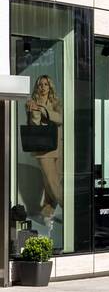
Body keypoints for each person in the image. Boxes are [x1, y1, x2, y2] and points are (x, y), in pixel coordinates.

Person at [24, 76, 63, 224]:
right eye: (40, 84)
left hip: (58, 147)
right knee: (53, 183)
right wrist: (34, 111)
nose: (43, 87)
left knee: (49, 184)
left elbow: (61, 119)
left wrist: (46, 111)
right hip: (42, 148)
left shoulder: (56, 102)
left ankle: (47, 213)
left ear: (50, 87)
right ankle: (71, 208)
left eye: (46, 84)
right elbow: (34, 125)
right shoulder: (32, 102)